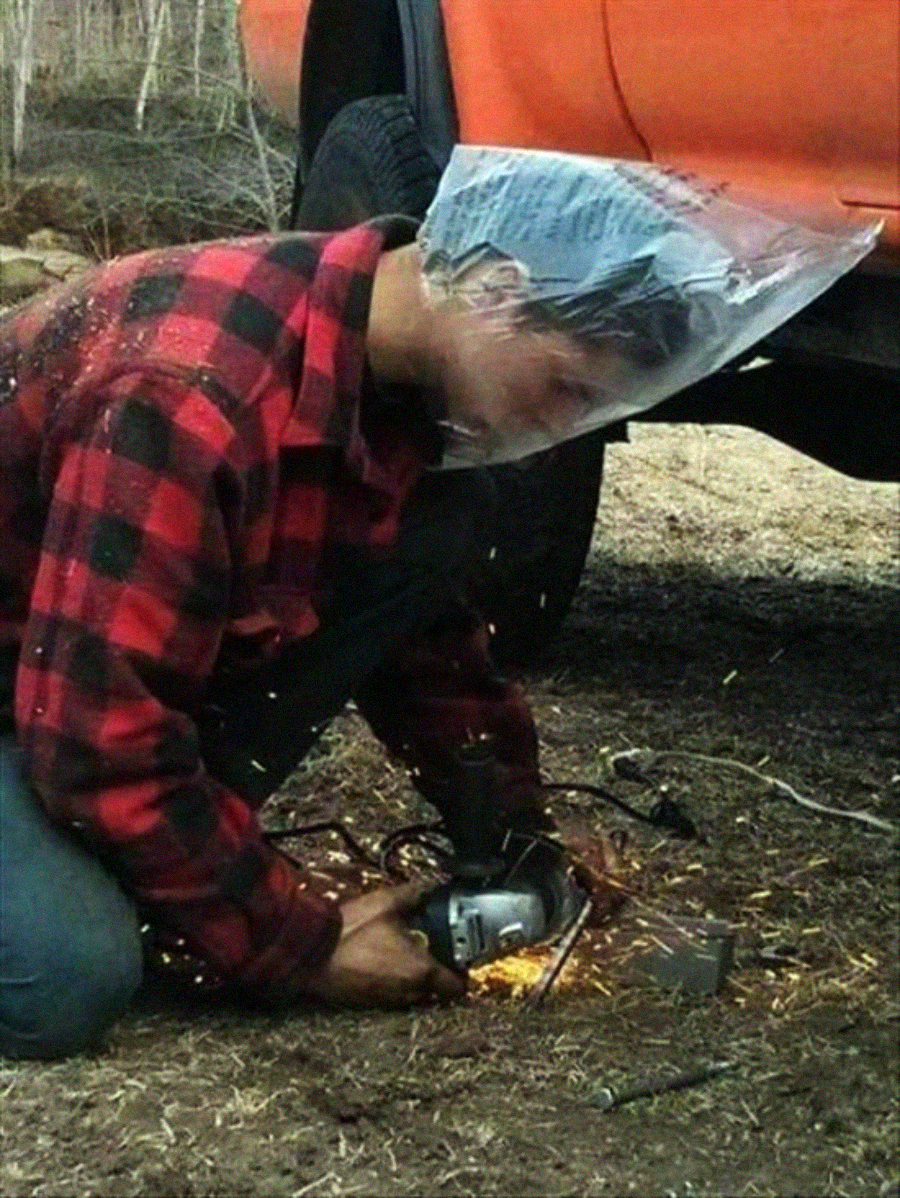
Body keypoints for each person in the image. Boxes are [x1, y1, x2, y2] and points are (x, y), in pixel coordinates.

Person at [0, 216, 603, 1060]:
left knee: (439, 524)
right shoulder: (185, 396)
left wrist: (517, 837)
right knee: (66, 975)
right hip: (51, 701)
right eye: (567, 385)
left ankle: (113, 854)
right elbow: (94, 742)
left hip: (62, 670)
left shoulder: (380, 371)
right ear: (499, 295)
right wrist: (301, 946)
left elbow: (427, 651)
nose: (566, 422)